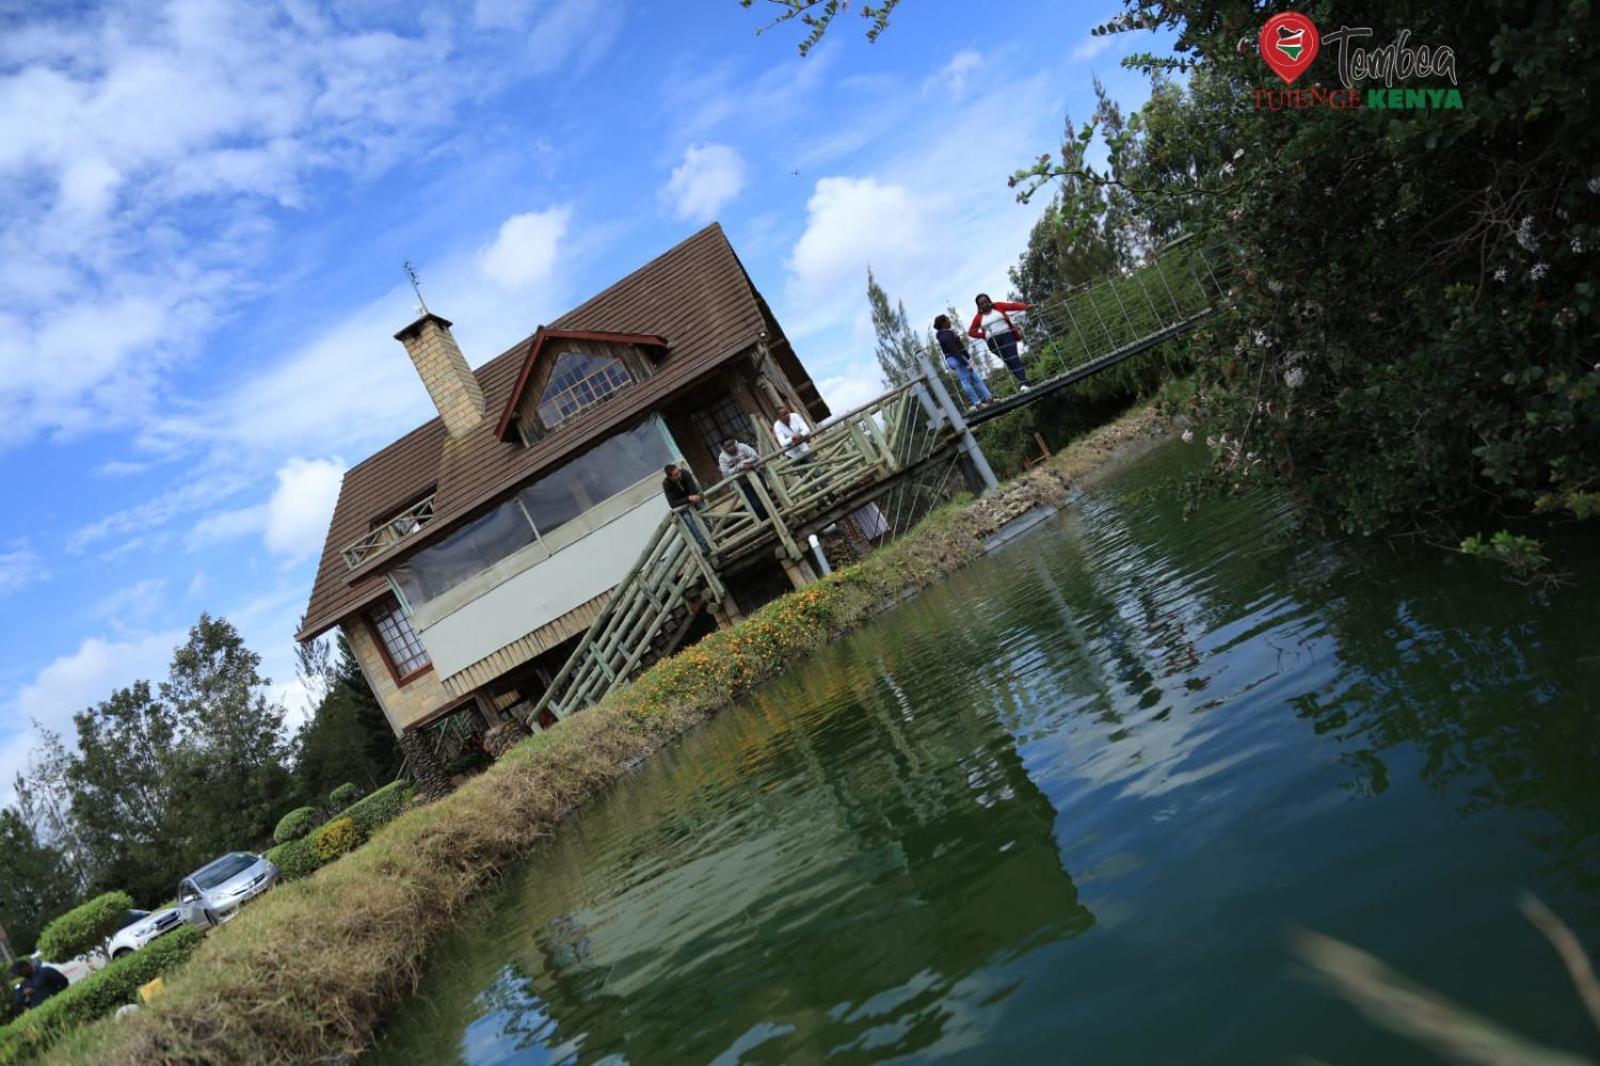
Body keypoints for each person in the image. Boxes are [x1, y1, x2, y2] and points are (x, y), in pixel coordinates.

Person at [968, 293, 1031, 390]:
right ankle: (1024, 382)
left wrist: (1025, 307)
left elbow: (1012, 306)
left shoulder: (998, 306)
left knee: (1013, 358)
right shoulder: (978, 317)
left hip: (1007, 336)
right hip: (993, 342)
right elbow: (971, 332)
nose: (984, 304)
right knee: (1008, 361)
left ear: (989, 301)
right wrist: (983, 335)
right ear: (979, 306)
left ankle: (1024, 383)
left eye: (985, 302)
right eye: (981, 303)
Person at [935, 314, 992, 409]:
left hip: (956, 358)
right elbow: (954, 350)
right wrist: (965, 363)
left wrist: (968, 358)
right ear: (943, 323)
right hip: (955, 358)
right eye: (948, 320)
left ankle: (988, 398)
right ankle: (978, 403)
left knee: (975, 378)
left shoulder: (946, 334)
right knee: (966, 380)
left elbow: (959, 347)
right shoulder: (945, 335)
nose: (950, 321)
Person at [718, 438, 770, 520]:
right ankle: (767, 522)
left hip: (756, 476)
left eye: (732, 444)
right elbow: (726, 473)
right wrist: (741, 466)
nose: (732, 447)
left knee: (766, 498)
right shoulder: (722, 458)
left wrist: (745, 463)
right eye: (728, 446)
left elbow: (755, 456)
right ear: (723, 448)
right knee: (755, 505)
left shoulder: (742, 446)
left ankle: (776, 519)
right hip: (743, 484)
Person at [662, 463, 709, 551]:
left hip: (694, 501)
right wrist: (688, 498)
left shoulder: (685, 473)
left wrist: (690, 498)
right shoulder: (666, 484)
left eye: (678, 472)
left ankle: (712, 528)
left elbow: (693, 490)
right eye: (676, 475)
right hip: (683, 507)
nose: (679, 475)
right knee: (688, 520)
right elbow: (672, 503)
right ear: (670, 477)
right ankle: (703, 544)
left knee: (701, 506)